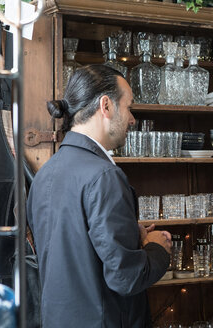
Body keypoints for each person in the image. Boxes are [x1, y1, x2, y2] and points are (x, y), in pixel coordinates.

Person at [26, 65, 172, 328]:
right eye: (128, 107)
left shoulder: (45, 174)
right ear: (106, 105)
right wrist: (157, 247)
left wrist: (130, 234)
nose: (132, 119)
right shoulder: (104, 175)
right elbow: (126, 277)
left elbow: (72, 251)